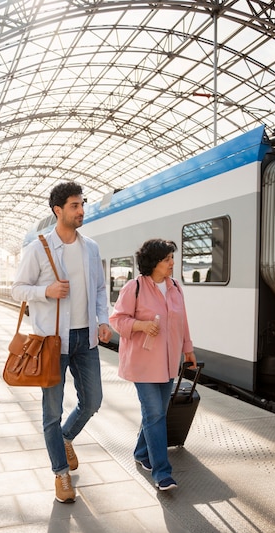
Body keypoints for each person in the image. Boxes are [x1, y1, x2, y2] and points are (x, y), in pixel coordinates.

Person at [12, 181, 112, 503]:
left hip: (86, 340)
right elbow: (18, 289)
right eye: (74, 205)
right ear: (58, 210)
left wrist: (104, 321)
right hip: (52, 342)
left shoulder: (91, 248)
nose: (81, 210)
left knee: (93, 402)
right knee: (51, 413)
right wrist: (46, 292)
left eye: (82, 204)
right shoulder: (38, 249)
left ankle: (65, 438)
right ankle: (61, 474)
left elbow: (99, 290)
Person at [109, 238, 196, 491]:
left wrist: (187, 349)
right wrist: (141, 325)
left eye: (172, 258)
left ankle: (140, 452)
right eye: (167, 259)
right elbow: (116, 320)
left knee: (157, 412)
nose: (172, 263)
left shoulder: (175, 287)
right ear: (154, 262)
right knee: (155, 413)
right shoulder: (133, 287)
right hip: (143, 363)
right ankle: (162, 473)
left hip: (168, 363)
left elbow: (183, 321)